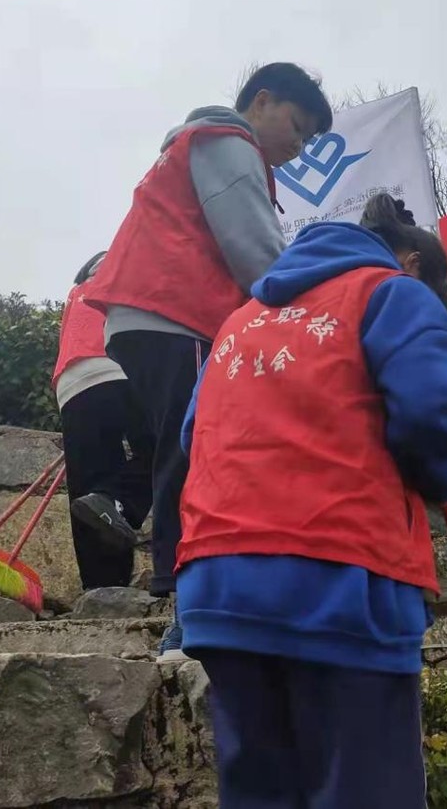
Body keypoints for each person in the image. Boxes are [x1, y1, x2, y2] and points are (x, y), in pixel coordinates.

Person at [174, 196, 447, 808]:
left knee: (261, 793)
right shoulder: (392, 294)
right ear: (413, 265)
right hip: (340, 576)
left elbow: (191, 435)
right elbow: (427, 413)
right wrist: (441, 474)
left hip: (218, 586)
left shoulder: (242, 319)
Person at [83, 63, 333, 657]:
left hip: (140, 319)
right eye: (297, 128)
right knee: (195, 456)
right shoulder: (229, 144)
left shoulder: (194, 147)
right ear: (262, 101)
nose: (298, 148)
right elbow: (257, 254)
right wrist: (323, 311)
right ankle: (185, 611)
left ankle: (171, 582)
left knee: (171, 448)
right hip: (180, 314)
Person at [52, 252, 153, 590]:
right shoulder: (128, 266)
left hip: (70, 383)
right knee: (162, 449)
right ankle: (120, 501)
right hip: (116, 367)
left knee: (88, 490)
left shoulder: (77, 290)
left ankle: (102, 590)